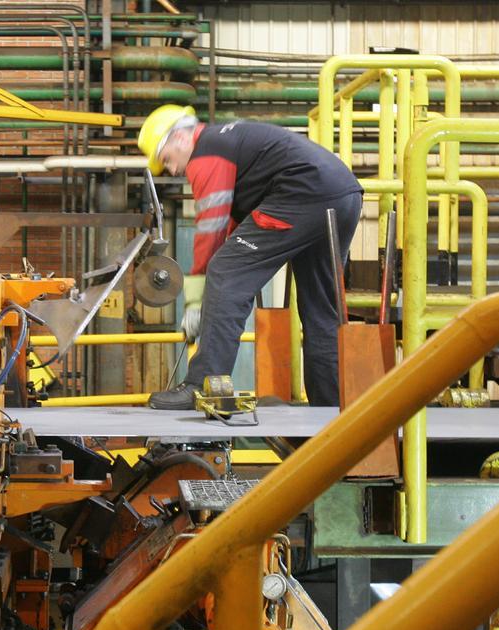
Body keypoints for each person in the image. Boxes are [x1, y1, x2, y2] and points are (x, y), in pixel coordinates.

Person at [137, 105, 363, 409]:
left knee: (226, 271)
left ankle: (201, 385)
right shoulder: (231, 142)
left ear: (179, 137)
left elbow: (212, 225)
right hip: (342, 194)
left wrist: (194, 300)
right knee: (320, 309)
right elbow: (234, 224)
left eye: (167, 159)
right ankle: (331, 407)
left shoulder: (206, 152)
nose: (174, 170)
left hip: (303, 193)